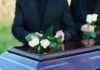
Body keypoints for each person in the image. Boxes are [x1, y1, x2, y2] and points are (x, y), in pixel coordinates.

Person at [12, 0, 77, 46]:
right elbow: (17, 28)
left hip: (55, 53)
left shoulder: (61, 1)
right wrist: (29, 36)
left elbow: (71, 28)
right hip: (30, 52)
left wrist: (64, 34)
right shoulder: (21, 1)